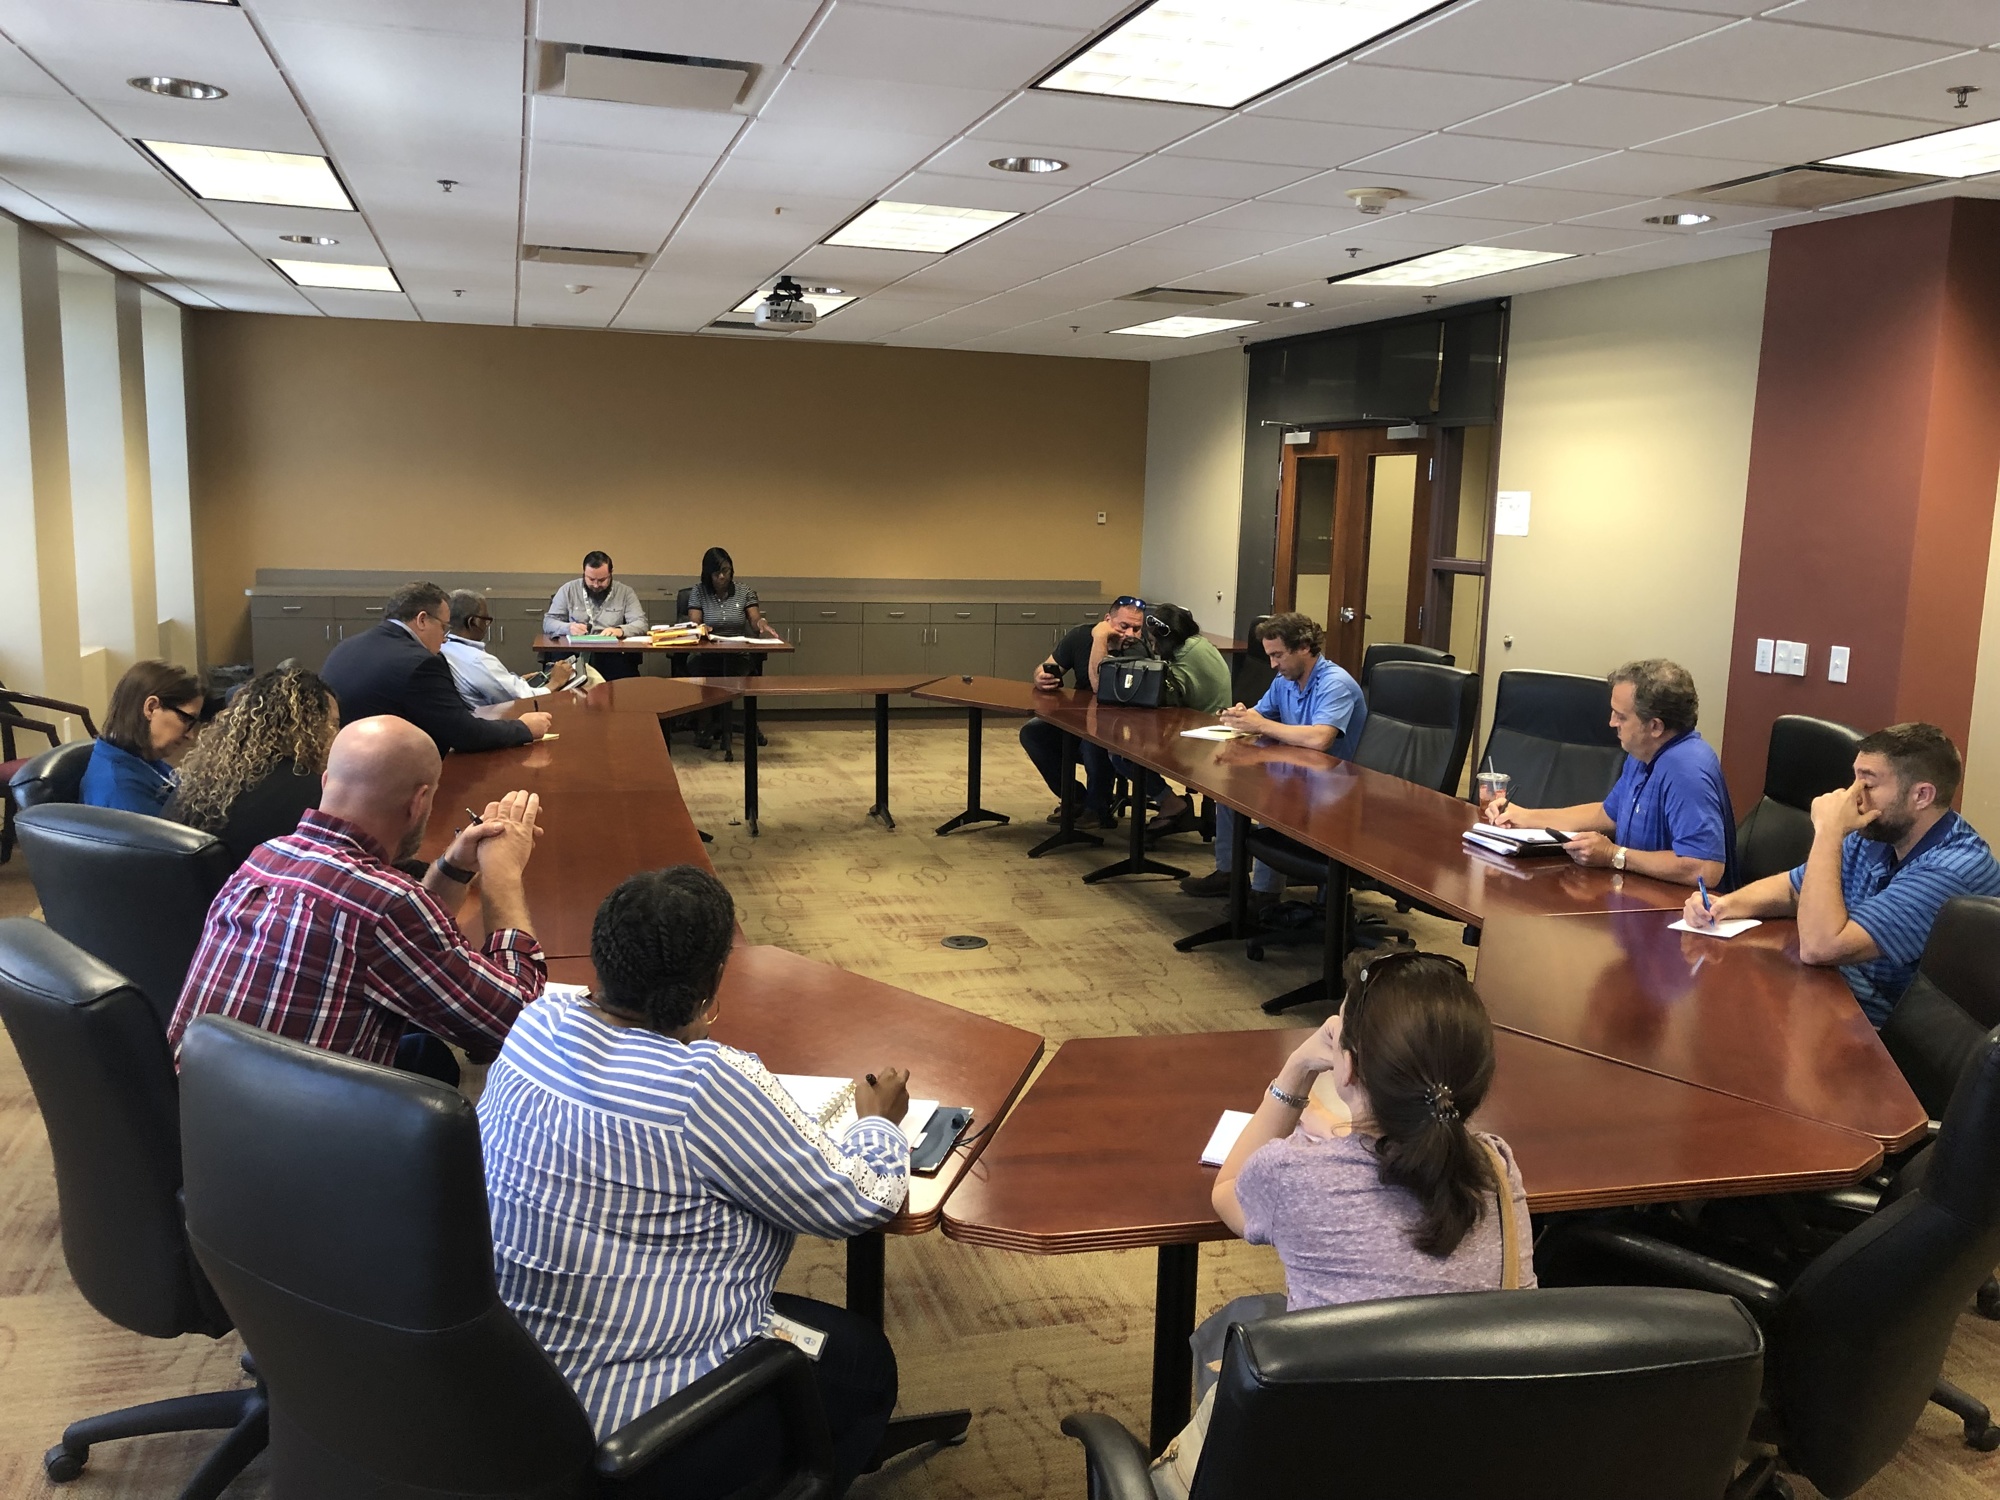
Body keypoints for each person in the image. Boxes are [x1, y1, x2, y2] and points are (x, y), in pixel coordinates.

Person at [479, 866, 906, 1496]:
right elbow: (859, 1202)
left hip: (507, 1382)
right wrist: (879, 1125)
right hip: (629, 1435)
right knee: (863, 1362)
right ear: (711, 983)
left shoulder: (537, 1020)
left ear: (602, 957)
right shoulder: (702, 1083)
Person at [1202, 950, 1532, 1391]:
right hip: (1468, 1443)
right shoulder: (1497, 1168)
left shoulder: (1291, 1175)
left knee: (1224, 1333)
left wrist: (1297, 1071)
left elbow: (1227, 1187)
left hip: (1327, 1444)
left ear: (1348, 1066)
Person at [168, 715, 546, 1079]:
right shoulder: (386, 905)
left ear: (327, 781)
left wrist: (455, 864)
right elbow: (519, 1024)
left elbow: (405, 951)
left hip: (198, 1115)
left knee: (425, 1054)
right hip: (299, 1136)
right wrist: (503, 872)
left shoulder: (266, 856)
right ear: (419, 801)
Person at [1684, 722, 2000, 1026]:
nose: (1853, 795)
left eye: (1869, 783)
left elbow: (1821, 947)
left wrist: (1829, 831)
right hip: (1835, 995)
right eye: (1855, 779)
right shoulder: (1880, 833)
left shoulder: (1951, 870)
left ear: (1921, 796)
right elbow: (1795, 888)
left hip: (1885, 1040)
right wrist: (1725, 906)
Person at [1486, 658, 1736, 890]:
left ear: (1655, 726)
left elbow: (1705, 868)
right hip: (1636, 897)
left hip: (1678, 917)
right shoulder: (1644, 753)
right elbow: (1607, 814)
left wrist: (1615, 855)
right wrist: (1526, 817)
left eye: (1621, 716)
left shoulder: (1687, 770)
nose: (1611, 722)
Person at [1181, 612, 1365, 898]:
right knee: (1229, 791)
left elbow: (1320, 738)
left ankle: (1263, 895)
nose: (1272, 664)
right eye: (1269, 655)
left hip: (1334, 784)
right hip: (1297, 771)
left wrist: (1261, 724)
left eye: (1278, 655)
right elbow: (1259, 713)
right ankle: (1230, 872)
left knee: (1268, 801)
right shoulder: (1286, 679)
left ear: (1304, 647)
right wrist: (1240, 716)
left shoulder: (1335, 683)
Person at [321, 581, 552, 753]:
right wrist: (523, 728)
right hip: (387, 771)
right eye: (443, 627)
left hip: (345, 761)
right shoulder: (421, 663)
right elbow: (464, 734)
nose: (444, 639)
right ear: (422, 620)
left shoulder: (347, 646)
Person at [167, 667, 339, 867]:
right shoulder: (313, 793)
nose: (338, 735)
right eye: (333, 724)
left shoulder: (197, 780)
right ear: (313, 727)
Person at [1021, 596, 1145, 827]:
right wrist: (1040, 676)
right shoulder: (1080, 636)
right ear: (1107, 620)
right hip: (1080, 717)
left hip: (1121, 726)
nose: (1130, 634)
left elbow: (1100, 687)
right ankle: (1074, 798)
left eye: (1137, 628)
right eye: (1124, 626)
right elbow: (1048, 664)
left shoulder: (1138, 650)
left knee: (1093, 741)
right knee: (1032, 733)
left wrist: (1100, 638)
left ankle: (1097, 808)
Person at [1141, 603, 1231, 836]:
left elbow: (1164, 699)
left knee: (1126, 754)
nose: (1153, 646)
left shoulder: (1184, 657)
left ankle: (1173, 805)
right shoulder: (1198, 643)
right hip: (1210, 728)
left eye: (1154, 641)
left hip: (1201, 739)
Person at [79, 660, 205, 815]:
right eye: (186, 719)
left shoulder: (144, 756)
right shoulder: (120, 791)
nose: (190, 735)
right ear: (151, 708)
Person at [684, 546, 778, 748]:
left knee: (732, 672)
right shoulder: (698, 592)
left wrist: (761, 624)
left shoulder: (744, 591)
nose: (721, 576)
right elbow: (694, 622)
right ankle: (705, 725)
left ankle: (728, 724)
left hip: (737, 654)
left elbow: (754, 619)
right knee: (699, 671)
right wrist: (701, 627)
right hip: (706, 654)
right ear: (707, 573)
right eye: (717, 572)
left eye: (726, 571)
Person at [441, 589, 573, 708]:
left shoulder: (446, 646)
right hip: (498, 718)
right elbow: (523, 699)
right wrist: (555, 683)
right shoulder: (477, 660)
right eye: (486, 620)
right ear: (473, 622)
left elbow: (490, 685)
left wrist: (516, 681)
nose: (487, 626)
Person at [544, 550, 649, 681]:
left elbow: (641, 623)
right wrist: (568, 628)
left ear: (611, 573)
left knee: (624, 680)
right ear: (584, 573)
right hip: (573, 653)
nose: (596, 585)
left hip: (611, 655)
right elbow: (549, 622)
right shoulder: (568, 590)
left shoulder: (625, 592)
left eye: (602, 580)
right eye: (591, 579)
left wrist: (620, 630)